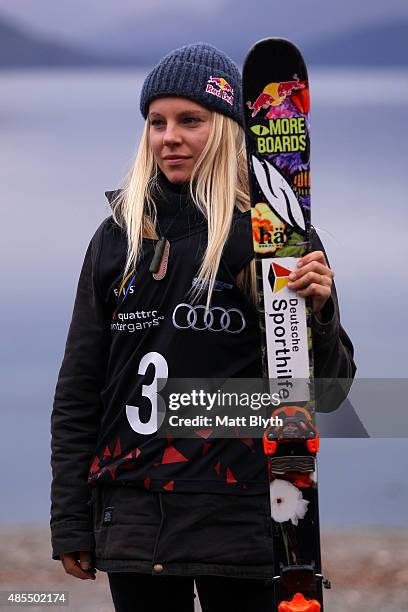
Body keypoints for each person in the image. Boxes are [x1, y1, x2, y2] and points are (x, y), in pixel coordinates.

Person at [50, 43, 356, 612]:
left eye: (191, 120)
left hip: (241, 519)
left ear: (226, 129)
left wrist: (320, 312)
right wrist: (71, 518)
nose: (170, 137)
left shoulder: (275, 237)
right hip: (135, 520)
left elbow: (330, 395)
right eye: (156, 122)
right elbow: (78, 393)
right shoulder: (119, 237)